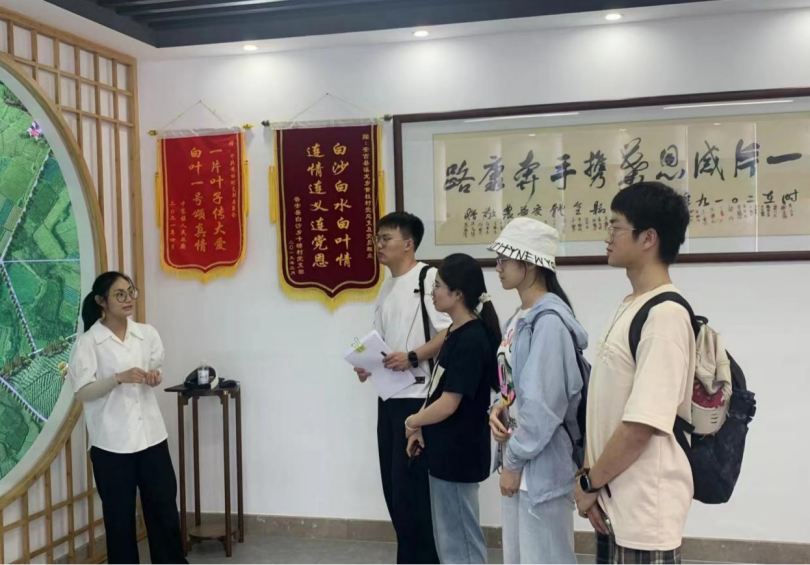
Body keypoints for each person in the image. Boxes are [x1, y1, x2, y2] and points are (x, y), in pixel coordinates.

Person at [575, 182, 696, 565]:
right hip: (613, 501)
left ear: (648, 238)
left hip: (643, 510)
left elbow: (642, 425)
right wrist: (591, 480)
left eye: (616, 227)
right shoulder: (633, 304)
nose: (608, 237)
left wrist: (589, 483)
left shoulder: (665, 315)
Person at [68, 272, 188, 565]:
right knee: (119, 520)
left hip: (151, 438)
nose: (128, 299)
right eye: (119, 294)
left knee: (164, 511)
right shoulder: (89, 343)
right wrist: (117, 379)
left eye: (130, 292)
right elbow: (82, 392)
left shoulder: (147, 334)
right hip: (111, 445)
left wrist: (154, 377)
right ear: (101, 301)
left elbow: (154, 369)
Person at [487, 218, 586, 565]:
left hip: (540, 466)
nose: (498, 268)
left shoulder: (549, 323)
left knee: (545, 557)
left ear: (529, 264)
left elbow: (544, 406)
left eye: (504, 260)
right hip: (519, 459)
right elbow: (512, 386)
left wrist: (513, 462)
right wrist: (498, 407)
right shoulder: (519, 318)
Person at [354, 212, 450, 565]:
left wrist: (413, 356)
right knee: (394, 491)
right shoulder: (386, 286)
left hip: (419, 402)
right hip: (389, 398)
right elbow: (381, 342)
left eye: (386, 239)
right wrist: (368, 363)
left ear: (408, 244)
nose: (378, 245)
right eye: (376, 238)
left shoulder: (428, 278)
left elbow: (452, 331)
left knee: (413, 496)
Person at [404, 253, 500, 565]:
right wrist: (420, 426)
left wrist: (412, 421)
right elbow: (438, 388)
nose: (432, 293)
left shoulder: (472, 339)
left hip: (459, 454)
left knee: (461, 542)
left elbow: (448, 402)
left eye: (438, 286)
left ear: (458, 293)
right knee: (450, 540)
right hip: (445, 451)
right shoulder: (455, 333)